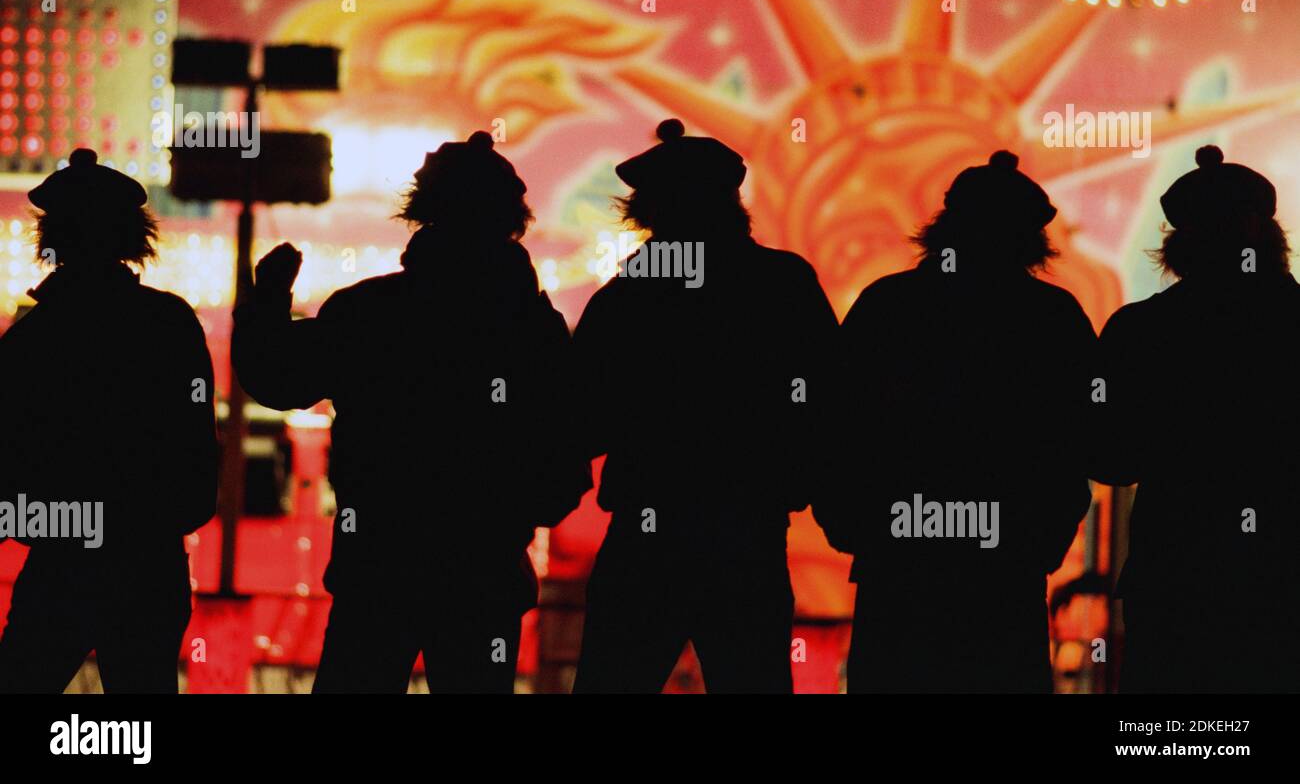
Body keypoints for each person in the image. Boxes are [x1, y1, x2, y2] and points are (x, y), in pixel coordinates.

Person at [232, 131, 589, 693]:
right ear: (510, 220)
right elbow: (563, 462)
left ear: (423, 211)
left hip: (377, 568)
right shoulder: (535, 332)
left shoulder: (368, 311)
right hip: (485, 573)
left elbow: (278, 378)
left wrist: (267, 303)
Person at [571, 119, 839, 693]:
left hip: (646, 532)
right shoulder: (785, 285)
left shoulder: (627, 298)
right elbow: (829, 404)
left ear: (651, 212)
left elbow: (580, 420)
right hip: (749, 531)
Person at [815, 149, 1094, 693]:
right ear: (1030, 240)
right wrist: (1044, 536)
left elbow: (832, 423)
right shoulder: (1053, 317)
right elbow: (1083, 439)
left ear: (946, 227)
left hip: (899, 558)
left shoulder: (887, 305)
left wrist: (851, 523)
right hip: (1005, 564)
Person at [0, 148, 218, 693]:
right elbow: (195, 453)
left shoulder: (32, 339)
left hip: (61, 563)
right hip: (149, 563)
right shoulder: (171, 323)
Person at [1095, 145, 1300, 693]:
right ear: (1263, 232)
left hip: (1172, 581)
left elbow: (1111, 458)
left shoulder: (1138, 330)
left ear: (1181, 244)